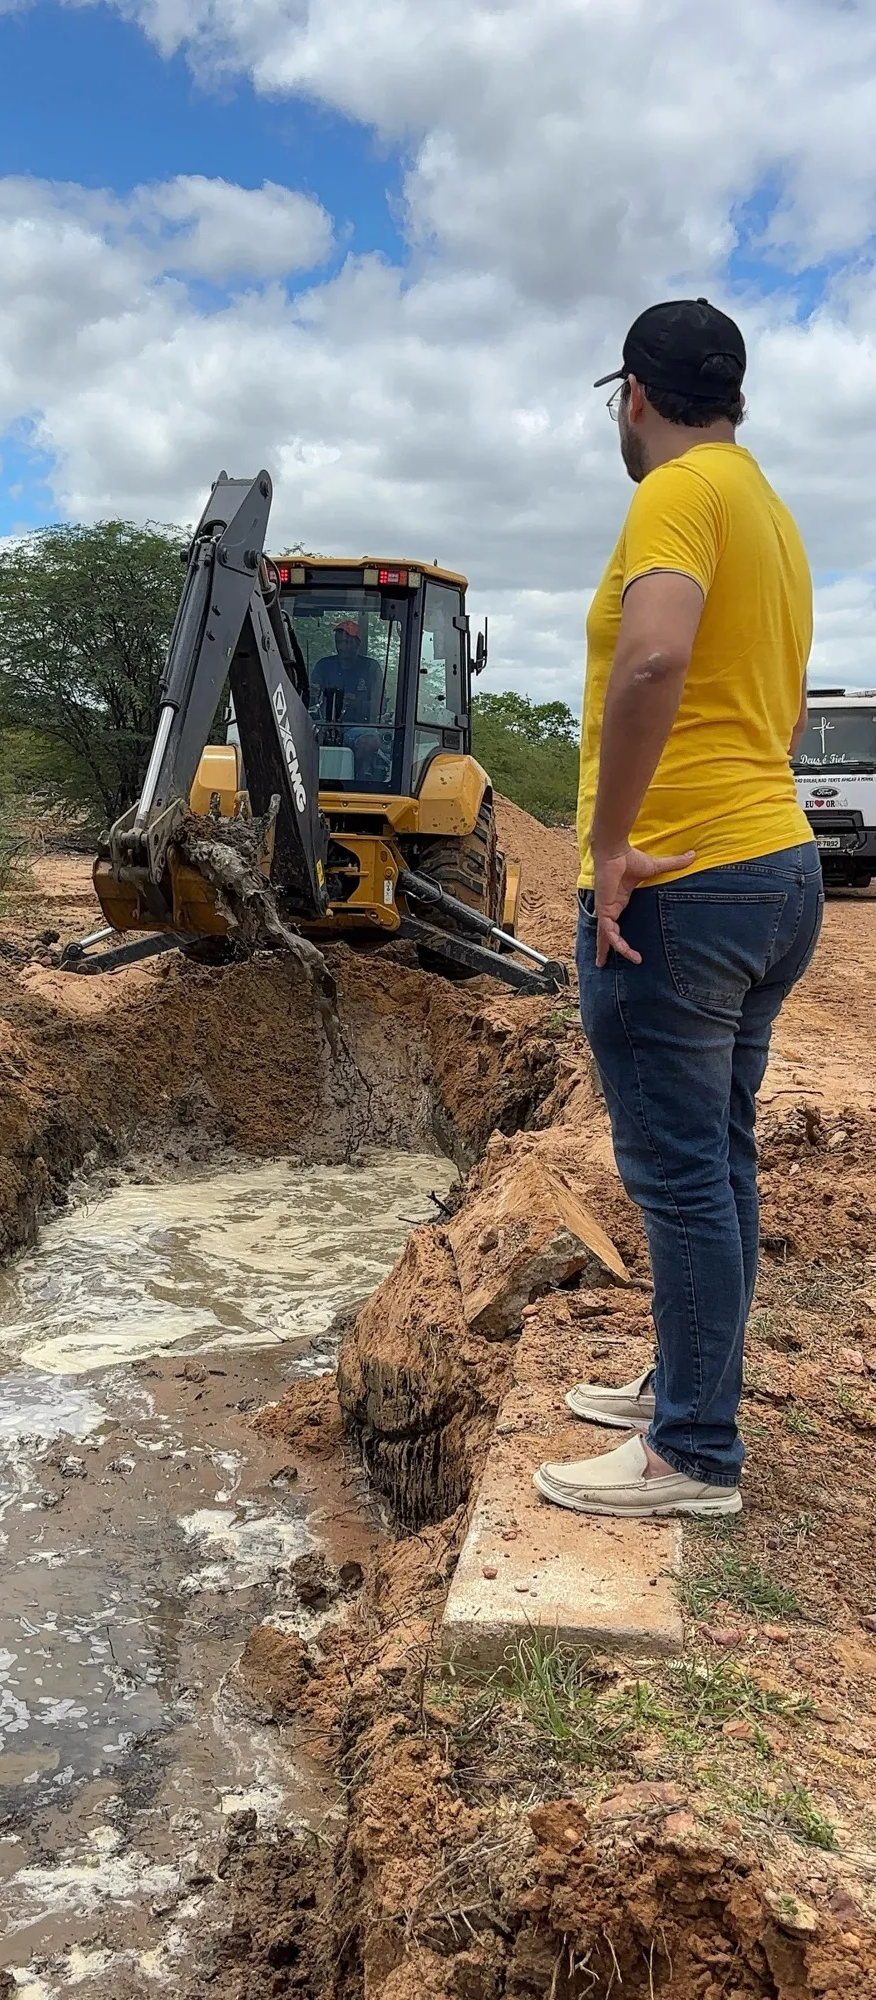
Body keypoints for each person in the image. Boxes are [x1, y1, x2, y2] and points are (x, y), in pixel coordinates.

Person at [534, 298, 822, 1521]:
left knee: (676, 1170)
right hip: (776, 871)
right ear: (735, 394)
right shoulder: (771, 513)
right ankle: (686, 1383)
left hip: (681, 886)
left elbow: (653, 657)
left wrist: (607, 847)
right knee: (721, 1155)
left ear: (633, 398)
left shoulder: (675, 493)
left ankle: (692, 1451)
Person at [309, 620, 380, 725]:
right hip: (325, 725)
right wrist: (312, 695)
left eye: (347, 642)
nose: (342, 647)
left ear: (358, 644)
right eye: (339, 642)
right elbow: (309, 704)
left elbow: (380, 707)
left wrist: (356, 704)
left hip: (361, 727)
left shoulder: (371, 668)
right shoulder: (324, 666)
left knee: (367, 741)